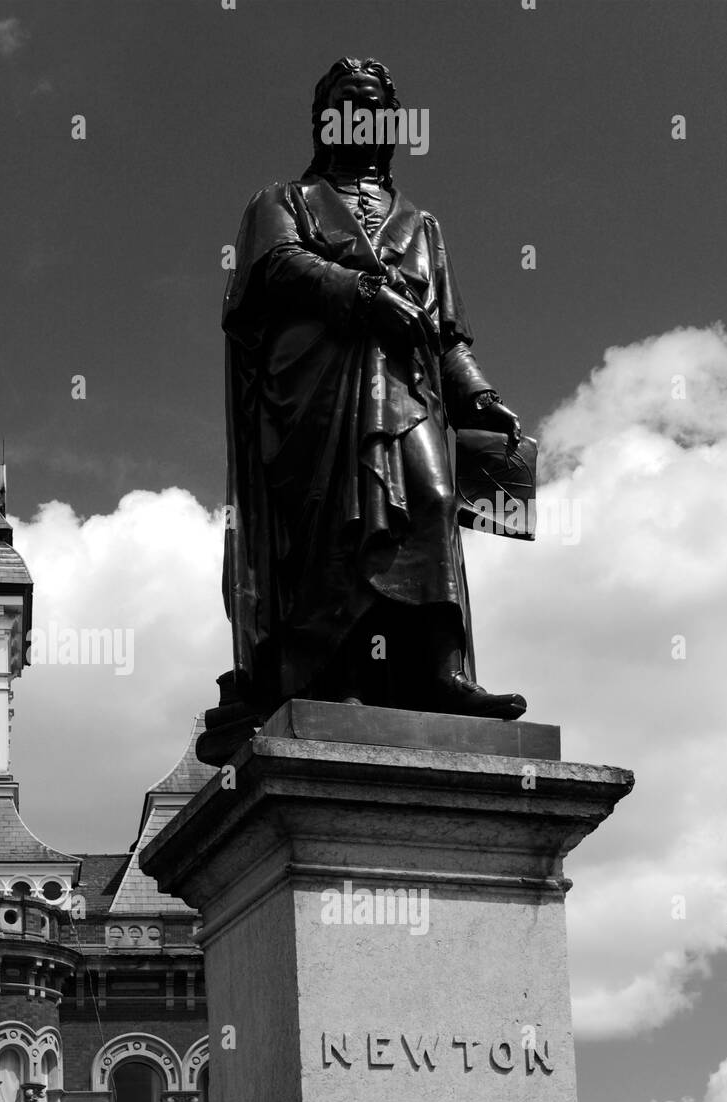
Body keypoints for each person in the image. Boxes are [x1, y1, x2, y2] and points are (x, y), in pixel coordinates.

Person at [217, 56, 526, 735]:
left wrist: (478, 396)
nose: (361, 115)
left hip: (405, 389)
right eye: (346, 102)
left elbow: (445, 332)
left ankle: (439, 672)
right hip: (316, 395)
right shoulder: (284, 201)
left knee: (433, 500)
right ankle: (336, 677)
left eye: (373, 104)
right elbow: (276, 265)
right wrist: (360, 294)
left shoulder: (423, 224)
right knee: (334, 524)